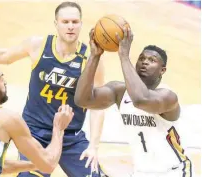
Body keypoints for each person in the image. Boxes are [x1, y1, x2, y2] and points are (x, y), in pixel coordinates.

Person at [0, 1, 107, 176]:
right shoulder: (38, 45)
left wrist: (94, 146)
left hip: (71, 135)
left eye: (75, 22)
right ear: (56, 24)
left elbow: (97, 106)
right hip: (35, 133)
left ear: (81, 24)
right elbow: (5, 56)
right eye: (65, 22)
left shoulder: (91, 59)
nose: (70, 26)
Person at [74, 27, 192, 177]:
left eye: (152, 60)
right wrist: (94, 56)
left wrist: (123, 55)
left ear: (162, 70)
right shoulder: (119, 91)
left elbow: (141, 99)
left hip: (174, 171)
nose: (144, 63)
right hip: (140, 172)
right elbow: (82, 100)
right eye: (141, 58)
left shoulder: (168, 96)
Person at [0, 63, 74, 177]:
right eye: (1, 78)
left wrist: (34, 165)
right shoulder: (5, 117)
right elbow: (48, 164)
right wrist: (59, 128)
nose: (5, 82)